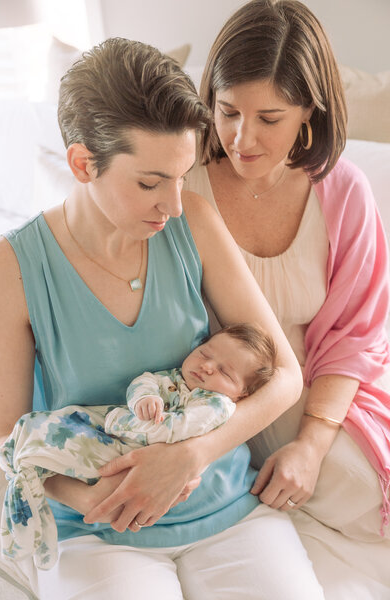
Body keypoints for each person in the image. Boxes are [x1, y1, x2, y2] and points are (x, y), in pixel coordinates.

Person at [0, 37, 325, 599]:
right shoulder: (13, 267)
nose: (173, 203)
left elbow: (285, 376)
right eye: (150, 182)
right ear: (82, 163)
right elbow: (2, 437)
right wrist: (86, 497)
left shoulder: (191, 218)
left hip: (227, 507)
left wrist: (191, 456)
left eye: (181, 175)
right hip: (100, 532)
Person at [184, 0, 390, 594]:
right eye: (227, 112)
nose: (242, 139)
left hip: (313, 388)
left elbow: (355, 337)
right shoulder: (182, 182)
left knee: (354, 482)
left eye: (269, 118)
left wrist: (310, 443)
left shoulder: (342, 192)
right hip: (201, 397)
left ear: (308, 113)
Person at [0, 323, 277, 570]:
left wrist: (123, 421)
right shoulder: (176, 378)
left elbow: (174, 431)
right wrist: (143, 399)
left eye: (225, 372)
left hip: (138, 453)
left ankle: (32, 477)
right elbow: (144, 381)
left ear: (242, 394)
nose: (207, 366)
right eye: (205, 352)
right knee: (51, 428)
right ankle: (30, 467)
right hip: (119, 440)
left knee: (82, 452)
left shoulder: (216, 405)